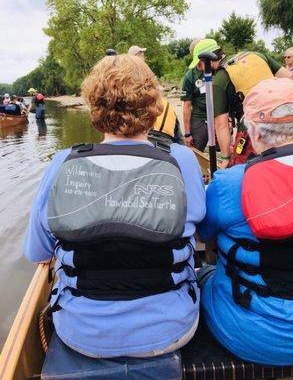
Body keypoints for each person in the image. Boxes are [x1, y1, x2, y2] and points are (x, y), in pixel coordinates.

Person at [23, 54, 205, 372]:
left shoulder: (63, 162)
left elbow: (37, 251)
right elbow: (200, 229)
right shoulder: (182, 160)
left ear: (94, 106)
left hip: (79, 331)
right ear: (152, 104)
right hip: (170, 329)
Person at [197, 78, 293, 365]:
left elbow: (206, 234)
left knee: (201, 275)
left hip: (252, 337)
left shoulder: (230, 183)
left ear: (253, 131)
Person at [192, 40, 293, 168]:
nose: (200, 69)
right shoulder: (257, 55)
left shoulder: (219, 80)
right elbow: (290, 77)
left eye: (199, 65)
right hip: (288, 121)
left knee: (239, 167)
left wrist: (225, 158)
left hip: (252, 129)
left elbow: (221, 124)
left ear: (205, 61)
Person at [181, 39, 221, 151]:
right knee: (196, 152)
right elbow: (187, 106)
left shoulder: (217, 70)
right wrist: (187, 133)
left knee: (225, 150)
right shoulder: (190, 77)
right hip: (199, 119)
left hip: (218, 116)